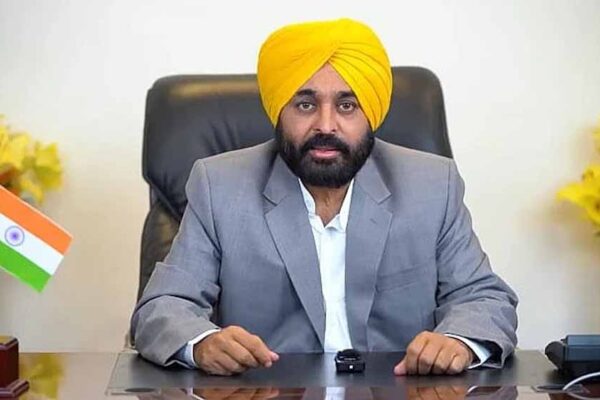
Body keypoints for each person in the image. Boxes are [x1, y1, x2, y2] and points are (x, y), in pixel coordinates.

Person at [130, 18, 518, 377]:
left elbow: (484, 298)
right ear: (279, 111)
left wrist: (457, 341)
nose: (326, 125)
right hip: (268, 391)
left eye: (347, 106)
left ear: (371, 114)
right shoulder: (220, 187)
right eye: (305, 105)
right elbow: (162, 307)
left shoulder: (431, 186)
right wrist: (202, 343)